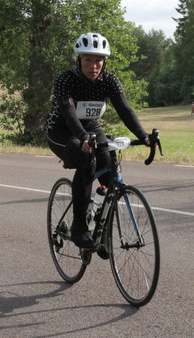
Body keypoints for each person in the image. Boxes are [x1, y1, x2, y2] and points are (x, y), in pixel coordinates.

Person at [45, 32, 151, 248]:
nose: (94, 66)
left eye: (99, 60)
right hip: (62, 131)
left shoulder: (109, 80)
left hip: (92, 128)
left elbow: (125, 109)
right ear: (79, 60)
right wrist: (82, 137)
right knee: (86, 160)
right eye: (88, 60)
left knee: (109, 173)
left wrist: (143, 135)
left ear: (104, 62)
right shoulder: (66, 79)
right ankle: (78, 227)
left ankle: (100, 232)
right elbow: (68, 112)